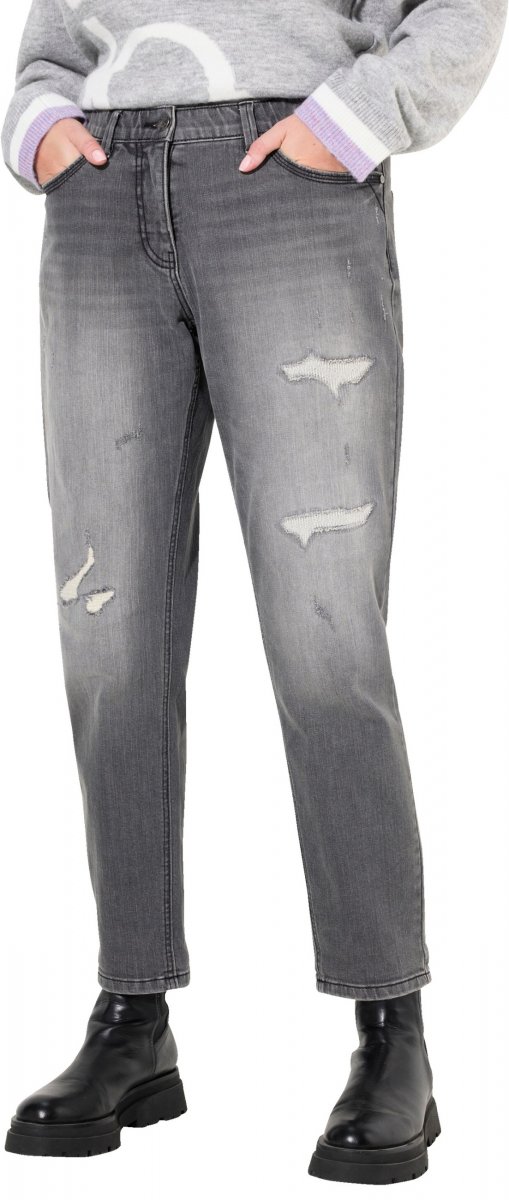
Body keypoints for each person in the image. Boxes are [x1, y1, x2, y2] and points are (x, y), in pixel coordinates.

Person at [2, 0, 506, 1181]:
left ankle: (390, 1026)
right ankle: (133, 1014)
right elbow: (51, 40)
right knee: (106, 629)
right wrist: (42, 121)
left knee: (325, 634)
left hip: (287, 181)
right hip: (98, 197)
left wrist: (354, 116)